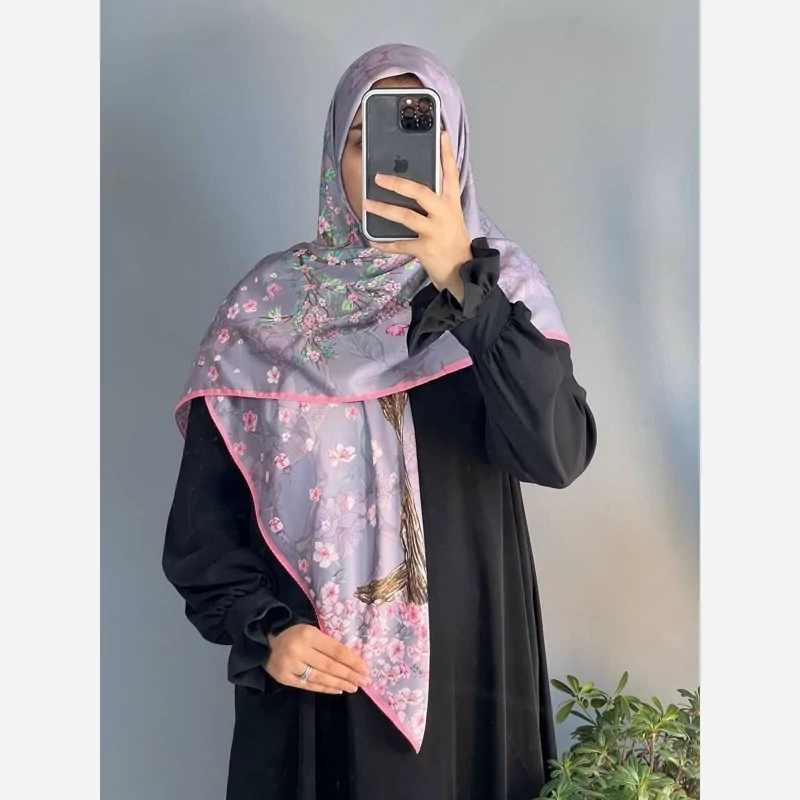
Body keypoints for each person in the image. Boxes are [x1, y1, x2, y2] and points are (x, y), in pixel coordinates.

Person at [163, 43, 597, 800]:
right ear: (335, 155)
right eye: (366, 138)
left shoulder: (503, 297)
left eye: (420, 135)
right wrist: (267, 633)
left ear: (456, 155)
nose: (391, 164)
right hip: (317, 692)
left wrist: (464, 284)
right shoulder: (265, 313)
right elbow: (201, 533)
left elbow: (556, 452)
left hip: (470, 683)